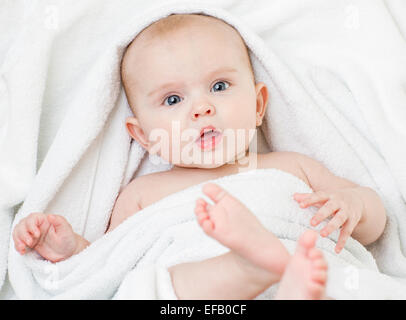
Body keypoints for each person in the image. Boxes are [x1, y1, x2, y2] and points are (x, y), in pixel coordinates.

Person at [12, 14, 387, 300]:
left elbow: (373, 224)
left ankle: (270, 274)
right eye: (173, 99)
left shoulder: (290, 166)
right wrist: (69, 249)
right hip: (199, 294)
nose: (202, 108)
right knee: (152, 287)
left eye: (219, 86)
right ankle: (250, 268)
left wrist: (354, 204)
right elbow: (111, 263)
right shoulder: (142, 194)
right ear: (144, 137)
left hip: (302, 268)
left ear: (258, 106)